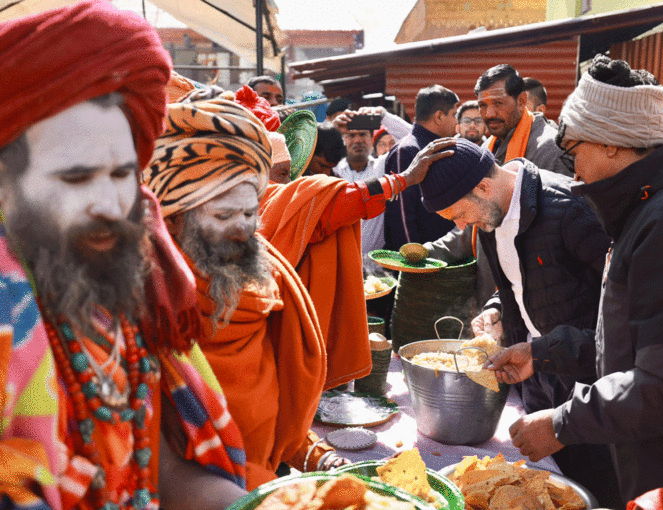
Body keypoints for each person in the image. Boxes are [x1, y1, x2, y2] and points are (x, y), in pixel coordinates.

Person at [0, 2, 249, 510]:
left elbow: (163, 470)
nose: (112, 204)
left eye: (122, 175)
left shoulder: (123, 295)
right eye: (75, 177)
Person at [143, 92, 456, 490]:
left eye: (250, 211)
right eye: (224, 215)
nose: (244, 230)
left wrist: (314, 457)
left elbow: (276, 413)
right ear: (172, 219)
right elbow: (167, 473)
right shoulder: (144, 317)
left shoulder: (265, 283)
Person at [485, 54, 663, 504]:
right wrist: (542, 353)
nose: (571, 170)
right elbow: (623, 347)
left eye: (573, 152)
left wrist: (561, 423)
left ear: (611, 143)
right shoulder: (640, 211)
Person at [419, 138, 621, 507]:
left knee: (591, 489)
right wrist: (498, 310)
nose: (463, 226)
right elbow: (517, 282)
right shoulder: (494, 210)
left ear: (483, 186)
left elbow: (622, 313)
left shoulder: (571, 209)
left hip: (590, 382)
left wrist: (547, 353)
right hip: (536, 370)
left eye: (459, 215)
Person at [383, 84, 460, 251]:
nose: (456, 122)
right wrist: (413, 261)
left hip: (442, 255)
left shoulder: (442, 147)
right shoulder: (406, 151)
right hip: (421, 263)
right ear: (439, 117)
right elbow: (401, 214)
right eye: (454, 115)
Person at [332, 106, 411, 258]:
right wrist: (331, 129)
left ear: (371, 140)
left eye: (363, 134)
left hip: (376, 264)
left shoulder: (382, 166)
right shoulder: (332, 170)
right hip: (338, 259)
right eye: (350, 135)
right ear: (343, 140)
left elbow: (414, 139)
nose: (357, 140)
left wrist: (384, 116)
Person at [476, 65, 570, 176]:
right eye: (482, 105)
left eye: (498, 103)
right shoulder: (486, 147)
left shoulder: (551, 149)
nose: (489, 114)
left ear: (521, 101)